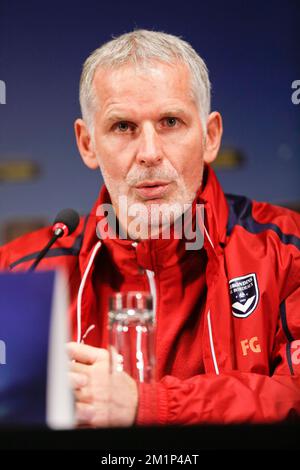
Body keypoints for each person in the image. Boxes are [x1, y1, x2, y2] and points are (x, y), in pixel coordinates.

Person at [0, 30, 299, 427]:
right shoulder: (21, 271)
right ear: (87, 144)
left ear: (210, 137)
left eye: (171, 122)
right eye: (123, 127)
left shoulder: (287, 251)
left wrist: (148, 405)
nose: (150, 153)